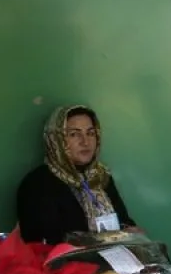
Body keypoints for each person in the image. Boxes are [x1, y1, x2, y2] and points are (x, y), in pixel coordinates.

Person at [17, 105, 136, 244]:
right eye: (74, 134)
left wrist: (132, 231)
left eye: (90, 133)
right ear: (57, 139)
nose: (85, 142)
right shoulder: (37, 184)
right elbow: (45, 242)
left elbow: (123, 221)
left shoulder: (100, 176)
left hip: (114, 253)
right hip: (71, 258)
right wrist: (104, 240)